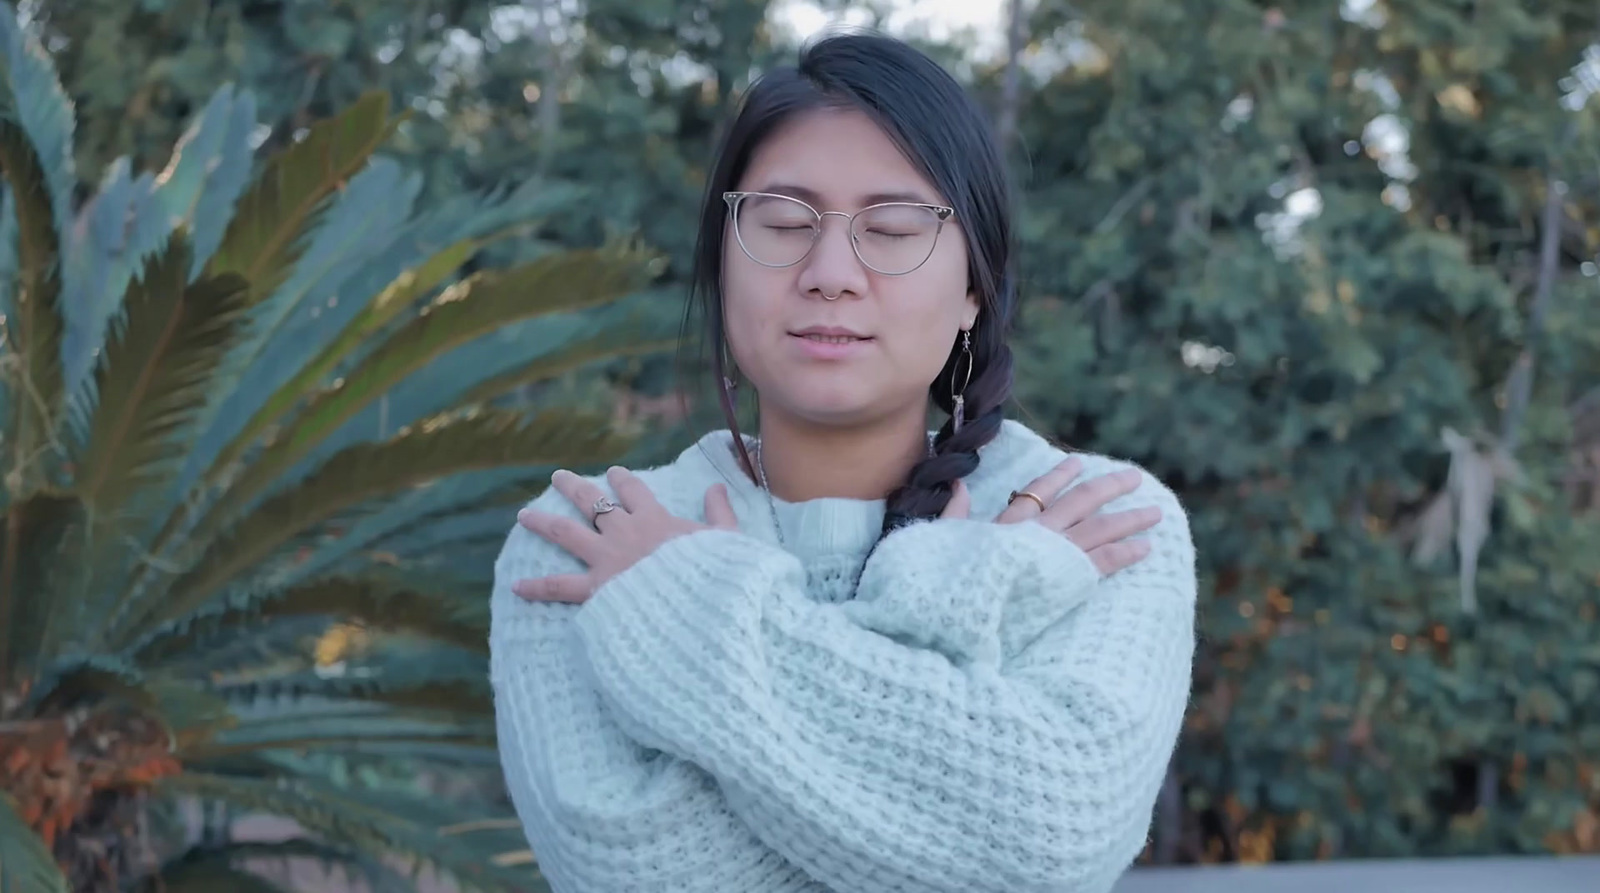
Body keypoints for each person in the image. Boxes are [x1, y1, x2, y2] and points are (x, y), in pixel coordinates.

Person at [488, 30, 1197, 893]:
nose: (831, 273)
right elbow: (635, 871)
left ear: (974, 285)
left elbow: (1050, 838)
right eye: (784, 223)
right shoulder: (585, 534)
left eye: (893, 229)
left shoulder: (1100, 517)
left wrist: (683, 607)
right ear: (721, 258)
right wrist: (960, 607)